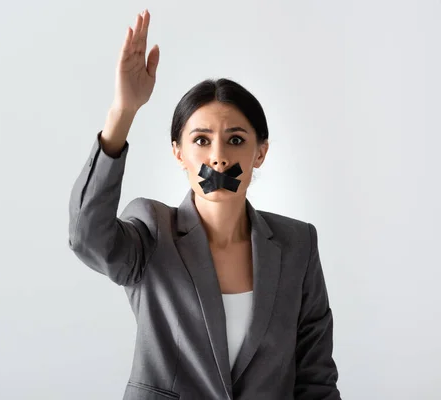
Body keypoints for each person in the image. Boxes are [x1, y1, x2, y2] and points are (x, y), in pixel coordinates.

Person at [68, 9, 341, 400]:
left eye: (235, 140)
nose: (217, 157)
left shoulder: (298, 243)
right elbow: (85, 238)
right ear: (178, 153)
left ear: (259, 152)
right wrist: (122, 113)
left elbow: (315, 377)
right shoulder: (151, 230)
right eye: (200, 140)